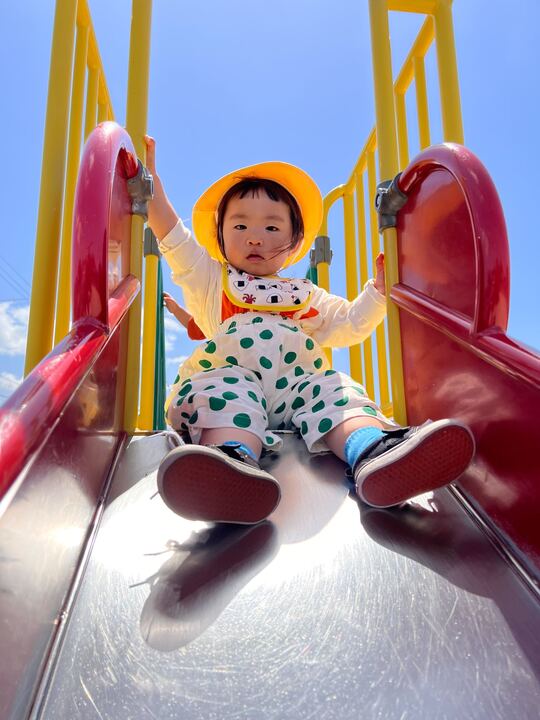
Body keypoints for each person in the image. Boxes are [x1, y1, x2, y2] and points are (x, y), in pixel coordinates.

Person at [144, 136, 475, 524]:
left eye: (272, 226)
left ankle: (373, 450)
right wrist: (152, 188)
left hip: (297, 388)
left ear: (294, 242)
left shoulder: (303, 295)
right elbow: (173, 237)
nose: (255, 236)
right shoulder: (212, 281)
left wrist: (377, 292)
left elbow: (348, 323)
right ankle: (229, 462)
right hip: (234, 380)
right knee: (225, 396)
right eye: (240, 225)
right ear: (220, 235)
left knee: (336, 391)